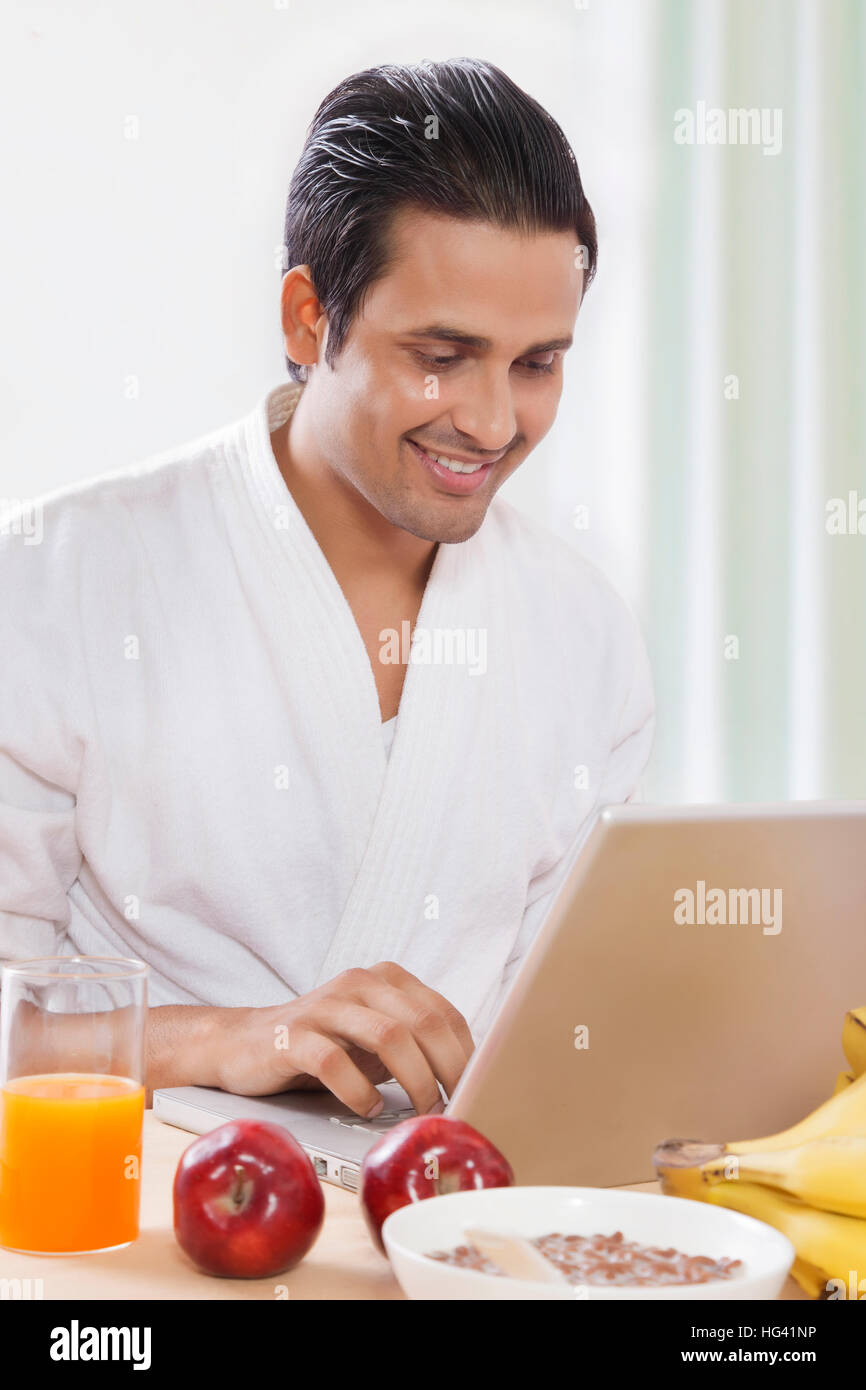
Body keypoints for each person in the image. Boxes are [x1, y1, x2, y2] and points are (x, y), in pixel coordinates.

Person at [0, 58, 654, 1117]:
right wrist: (231, 1038)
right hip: (136, 1234)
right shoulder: (53, 580)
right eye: (441, 355)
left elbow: (567, 1037)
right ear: (308, 318)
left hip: (451, 1248)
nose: (491, 423)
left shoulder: (585, 636)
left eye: (536, 363)